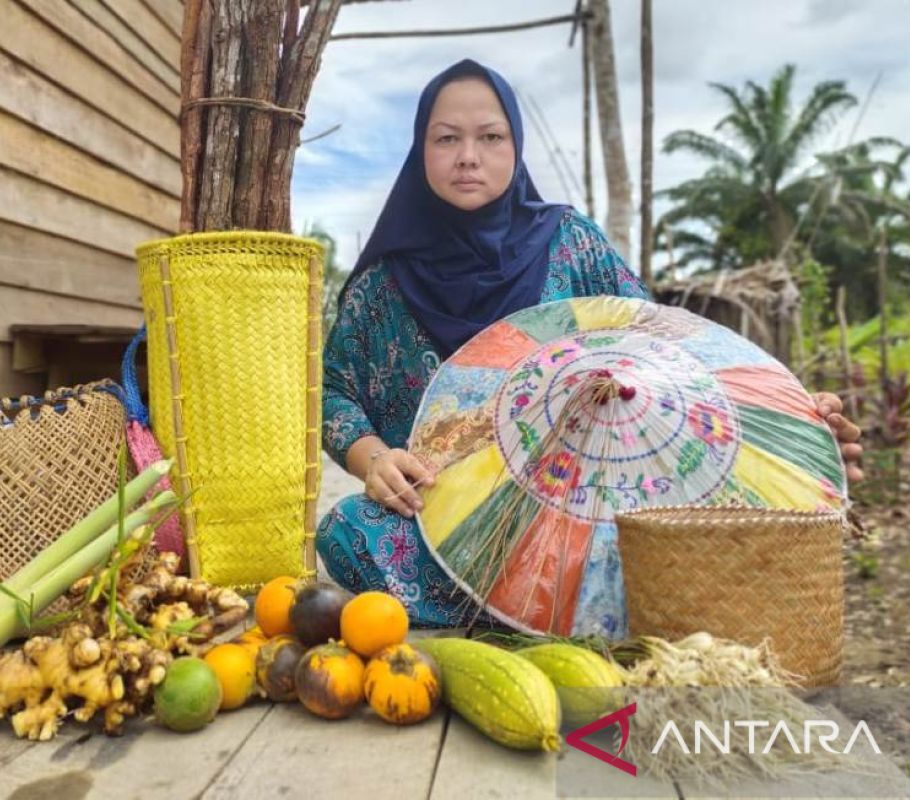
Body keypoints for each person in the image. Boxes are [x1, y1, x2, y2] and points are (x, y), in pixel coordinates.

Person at [315, 59, 863, 632]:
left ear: (516, 145)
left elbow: (664, 357)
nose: (468, 156)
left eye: (491, 137)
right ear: (420, 149)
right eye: (446, 138)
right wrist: (374, 459)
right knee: (349, 532)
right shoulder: (384, 284)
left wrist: (790, 421)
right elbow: (331, 391)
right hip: (443, 521)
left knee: (693, 533)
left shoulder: (571, 245)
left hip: (590, 511)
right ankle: (572, 617)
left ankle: (545, 613)